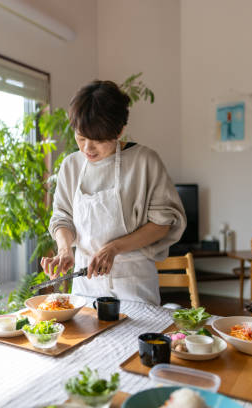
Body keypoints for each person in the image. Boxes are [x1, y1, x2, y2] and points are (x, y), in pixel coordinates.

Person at [40, 80, 187, 305]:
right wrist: (63, 250)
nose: (87, 148)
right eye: (81, 138)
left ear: (119, 131)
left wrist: (114, 248)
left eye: (97, 141)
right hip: (85, 284)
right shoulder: (71, 166)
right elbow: (62, 218)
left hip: (133, 284)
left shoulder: (145, 161)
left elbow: (162, 224)